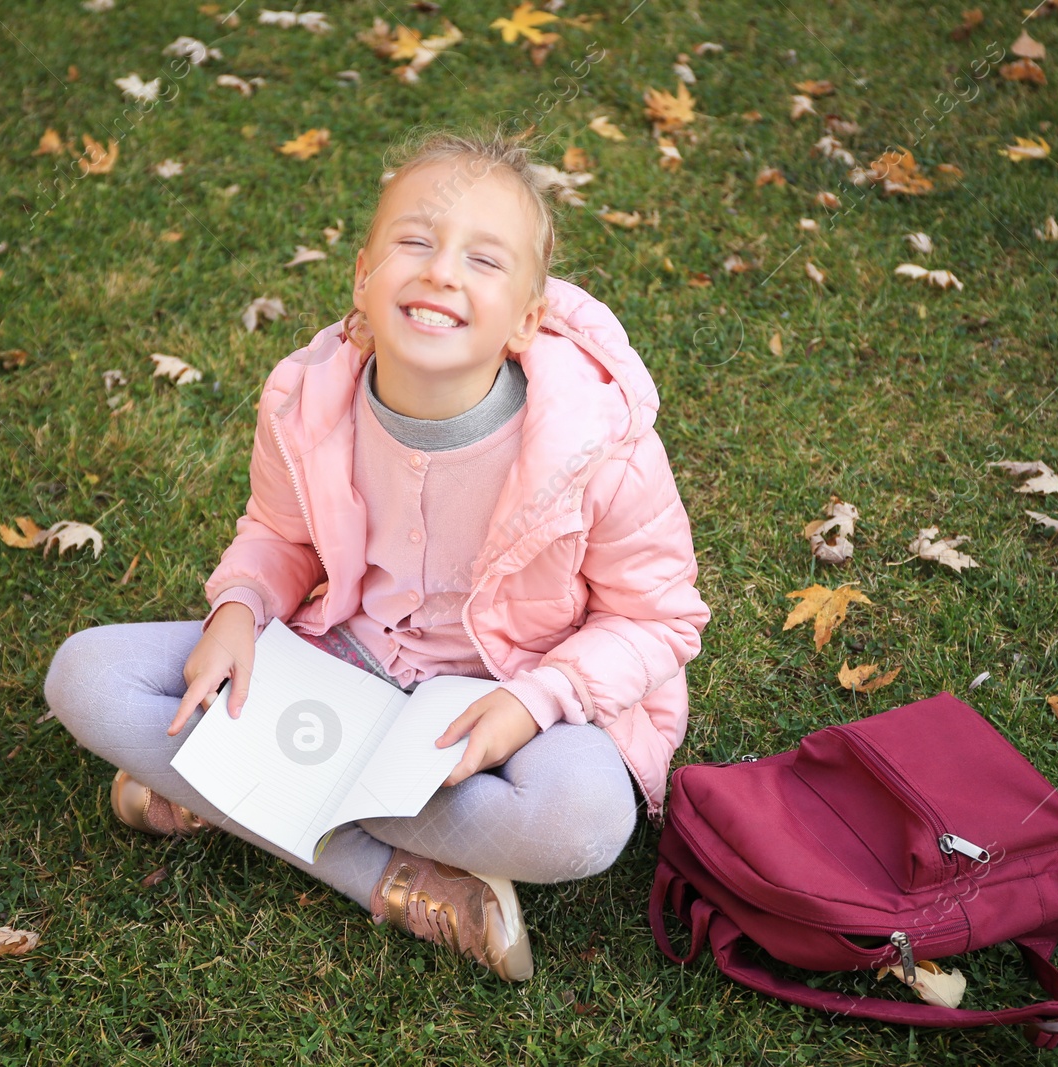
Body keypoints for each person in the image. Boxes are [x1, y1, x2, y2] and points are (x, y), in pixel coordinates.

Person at [44, 129, 710, 982]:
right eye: (416, 242)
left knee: (580, 819)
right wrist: (240, 607)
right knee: (85, 675)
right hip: (346, 666)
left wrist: (537, 701)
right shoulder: (308, 400)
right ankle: (396, 880)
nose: (441, 272)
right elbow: (279, 536)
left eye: (483, 260)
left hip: (506, 699)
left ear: (529, 317)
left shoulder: (598, 445)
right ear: (363, 275)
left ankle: (227, 790)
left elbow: (656, 617)